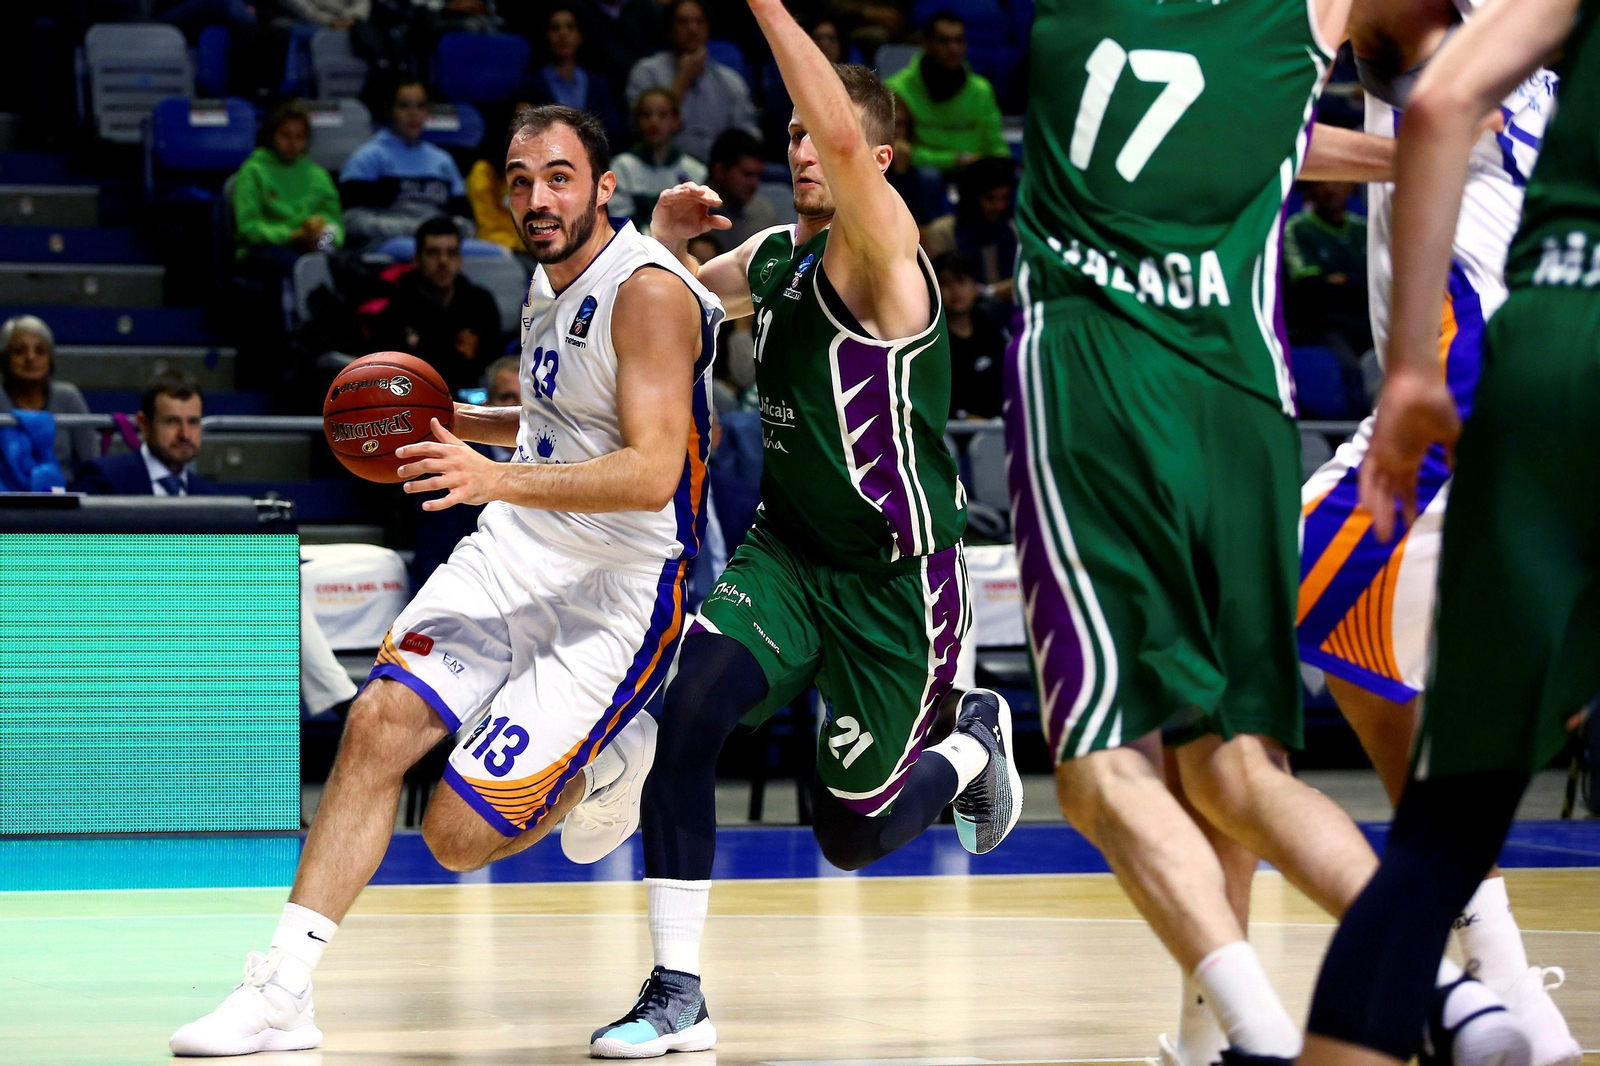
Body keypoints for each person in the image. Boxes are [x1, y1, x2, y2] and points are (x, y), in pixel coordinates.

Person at [1006, 1, 1518, 1064]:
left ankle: (1255, 1037)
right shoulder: (1291, 30)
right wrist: (1413, 143)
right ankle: (1442, 993)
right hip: (1241, 402)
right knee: (1242, 769)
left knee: (1103, 765)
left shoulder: (1069, 26)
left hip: (1096, 377)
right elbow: (1291, 135)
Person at [169, 103, 725, 1056]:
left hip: (619, 589)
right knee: (377, 722)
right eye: (518, 179)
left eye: (557, 176)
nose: (535, 197)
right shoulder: (549, 279)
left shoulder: (648, 293)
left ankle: (605, 758)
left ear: (603, 187)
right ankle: (281, 991)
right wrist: (474, 425)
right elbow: (560, 419)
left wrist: (490, 476)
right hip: (516, 545)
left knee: (456, 839)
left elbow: (649, 471)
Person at [589, 10, 1021, 1057]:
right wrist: (657, 232)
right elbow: (666, 312)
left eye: (814, 137)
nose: (797, 152)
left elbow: (837, 135)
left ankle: (970, 744)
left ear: (874, 158)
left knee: (849, 834)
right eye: (783, 138)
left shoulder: (887, 254)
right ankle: (676, 992)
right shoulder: (778, 256)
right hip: (786, 554)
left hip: (893, 584)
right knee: (689, 715)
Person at [1300, 0, 1594, 1064]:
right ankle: (1513, 997)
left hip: (1465, 377)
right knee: (1364, 664)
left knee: (1241, 612)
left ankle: (1238, 1021)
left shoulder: (1473, 41)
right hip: (1509, 382)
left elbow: (1280, 138)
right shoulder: (1531, 40)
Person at [372, 217, 505, 397]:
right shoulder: (395, 311)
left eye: (451, 253)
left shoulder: (480, 303)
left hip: (473, 405)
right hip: (415, 404)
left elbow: (494, 367)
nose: (443, 261)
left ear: (460, 259)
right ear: (416, 260)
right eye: (433, 252)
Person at [339, 80, 472, 247]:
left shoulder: (443, 160)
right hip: (388, 247)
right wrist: (419, 230)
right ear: (389, 110)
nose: (413, 114)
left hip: (441, 246)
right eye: (403, 106)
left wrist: (446, 232)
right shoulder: (367, 158)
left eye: (420, 106)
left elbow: (466, 221)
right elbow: (352, 221)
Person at [626, 0, 760, 162]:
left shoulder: (730, 81)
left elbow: (749, 135)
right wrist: (683, 78)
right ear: (669, 29)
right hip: (662, 165)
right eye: (683, 22)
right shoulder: (646, 72)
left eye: (699, 21)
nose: (692, 28)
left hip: (719, 173)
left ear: (708, 28)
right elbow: (636, 130)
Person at [884, 11, 1008, 175]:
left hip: (974, 178)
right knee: (929, 176)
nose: (953, 49)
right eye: (944, 41)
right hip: (921, 177)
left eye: (959, 41)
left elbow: (997, 146)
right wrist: (955, 160)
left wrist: (1001, 165)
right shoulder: (896, 89)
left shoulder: (981, 90)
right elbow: (897, 150)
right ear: (926, 43)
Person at [232, 100, 345, 270]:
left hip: (312, 246)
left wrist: (322, 241)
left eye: (299, 137)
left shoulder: (317, 174)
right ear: (271, 135)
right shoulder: (253, 171)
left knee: (342, 264)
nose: (293, 144)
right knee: (296, 265)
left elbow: (333, 221)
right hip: (266, 249)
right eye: (285, 135)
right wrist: (292, 236)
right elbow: (249, 228)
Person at [69, 371, 214, 497]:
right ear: (144, 424)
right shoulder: (103, 479)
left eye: (193, 422)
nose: (185, 434)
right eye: (171, 421)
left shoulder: (208, 495)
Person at [1283, 180, 1371, 355]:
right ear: (1311, 188)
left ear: (1351, 186)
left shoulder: (1364, 228)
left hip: (1367, 320)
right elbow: (1310, 288)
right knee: (1345, 366)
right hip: (1321, 325)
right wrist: (1359, 280)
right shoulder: (1297, 228)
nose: (1331, 188)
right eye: (1323, 183)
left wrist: (1343, 280)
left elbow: (1386, 281)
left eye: (1338, 182)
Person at [0, 315, 95, 472]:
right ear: (4, 358)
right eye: (19, 351)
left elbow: (91, 461)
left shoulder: (68, 397)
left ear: (50, 359)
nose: (30, 358)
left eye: (40, 351)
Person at [610, 88, 711, 225]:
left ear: (676, 121)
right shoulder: (622, 166)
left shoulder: (695, 170)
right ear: (637, 122)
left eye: (662, 115)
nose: (654, 121)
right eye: (646, 115)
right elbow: (620, 219)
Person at [529, 5, 624, 149]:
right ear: (546, 36)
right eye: (555, 28)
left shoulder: (599, 84)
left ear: (580, 36)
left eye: (570, 27)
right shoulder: (531, 85)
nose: (563, 34)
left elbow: (613, 129)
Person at [923, 155, 1017, 298]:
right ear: (972, 197)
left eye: (1004, 198)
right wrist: (990, 293)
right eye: (990, 198)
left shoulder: (1014, 231)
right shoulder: (942, 232)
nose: (998, 206)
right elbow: (940, 286)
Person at [935, 253, 1003, 419]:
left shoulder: (990, 327)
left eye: (961, 281)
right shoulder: (933, 340)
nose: (955, 291)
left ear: (974, 286)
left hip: (997, 425)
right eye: (946, 284)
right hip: (953, 428)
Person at [704, 128, 777, 248]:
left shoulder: (763, 212)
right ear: (720, 170)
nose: (755, 183)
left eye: (758, 175)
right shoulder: (688, 211)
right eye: (747, 174)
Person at [887, 94, 951, 228]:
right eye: (887, 124)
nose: (893, 132)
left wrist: (901, 174)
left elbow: (915, 221)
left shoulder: (926, 178)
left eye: (899, 125)